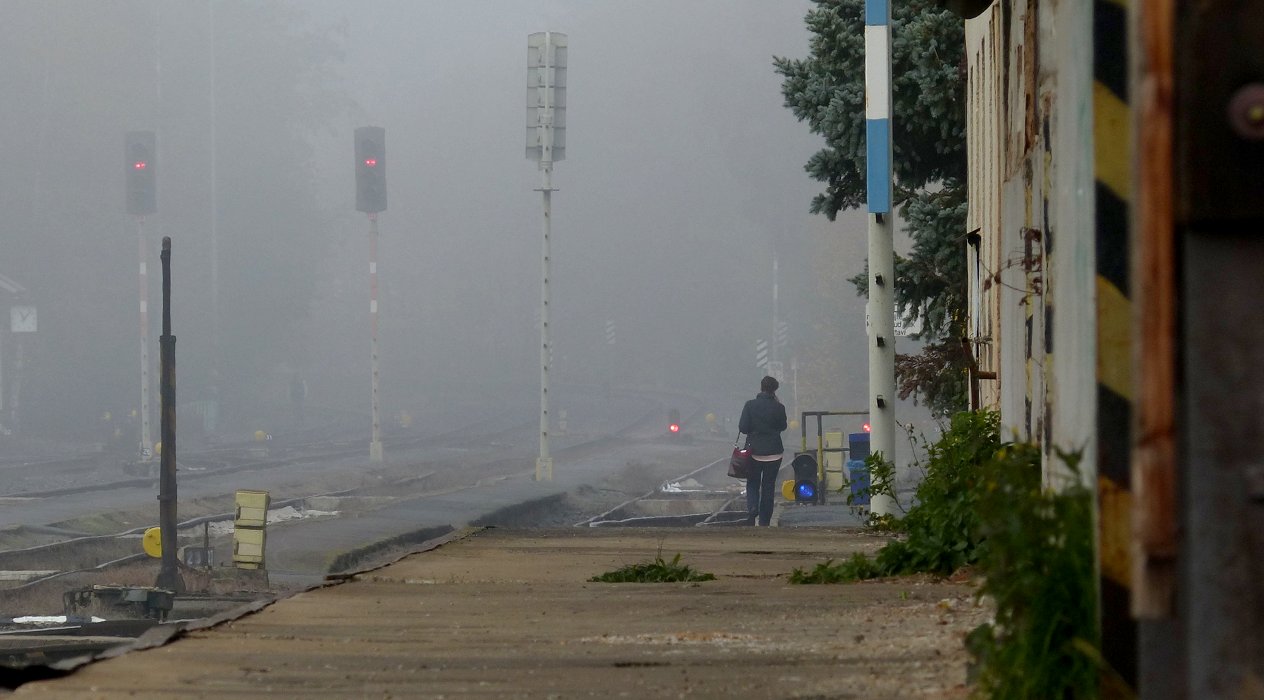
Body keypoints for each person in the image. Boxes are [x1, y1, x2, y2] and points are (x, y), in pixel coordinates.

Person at [738, 375, 788, 527]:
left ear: (761, 387)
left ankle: (752, 508)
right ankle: (765, 521)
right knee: (768, 486)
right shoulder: (779, 407)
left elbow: (743, 428)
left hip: (754, 451)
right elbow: (783, 427)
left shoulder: (750, 405)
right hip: (774, 452)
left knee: (752, 482)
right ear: (775, 390)